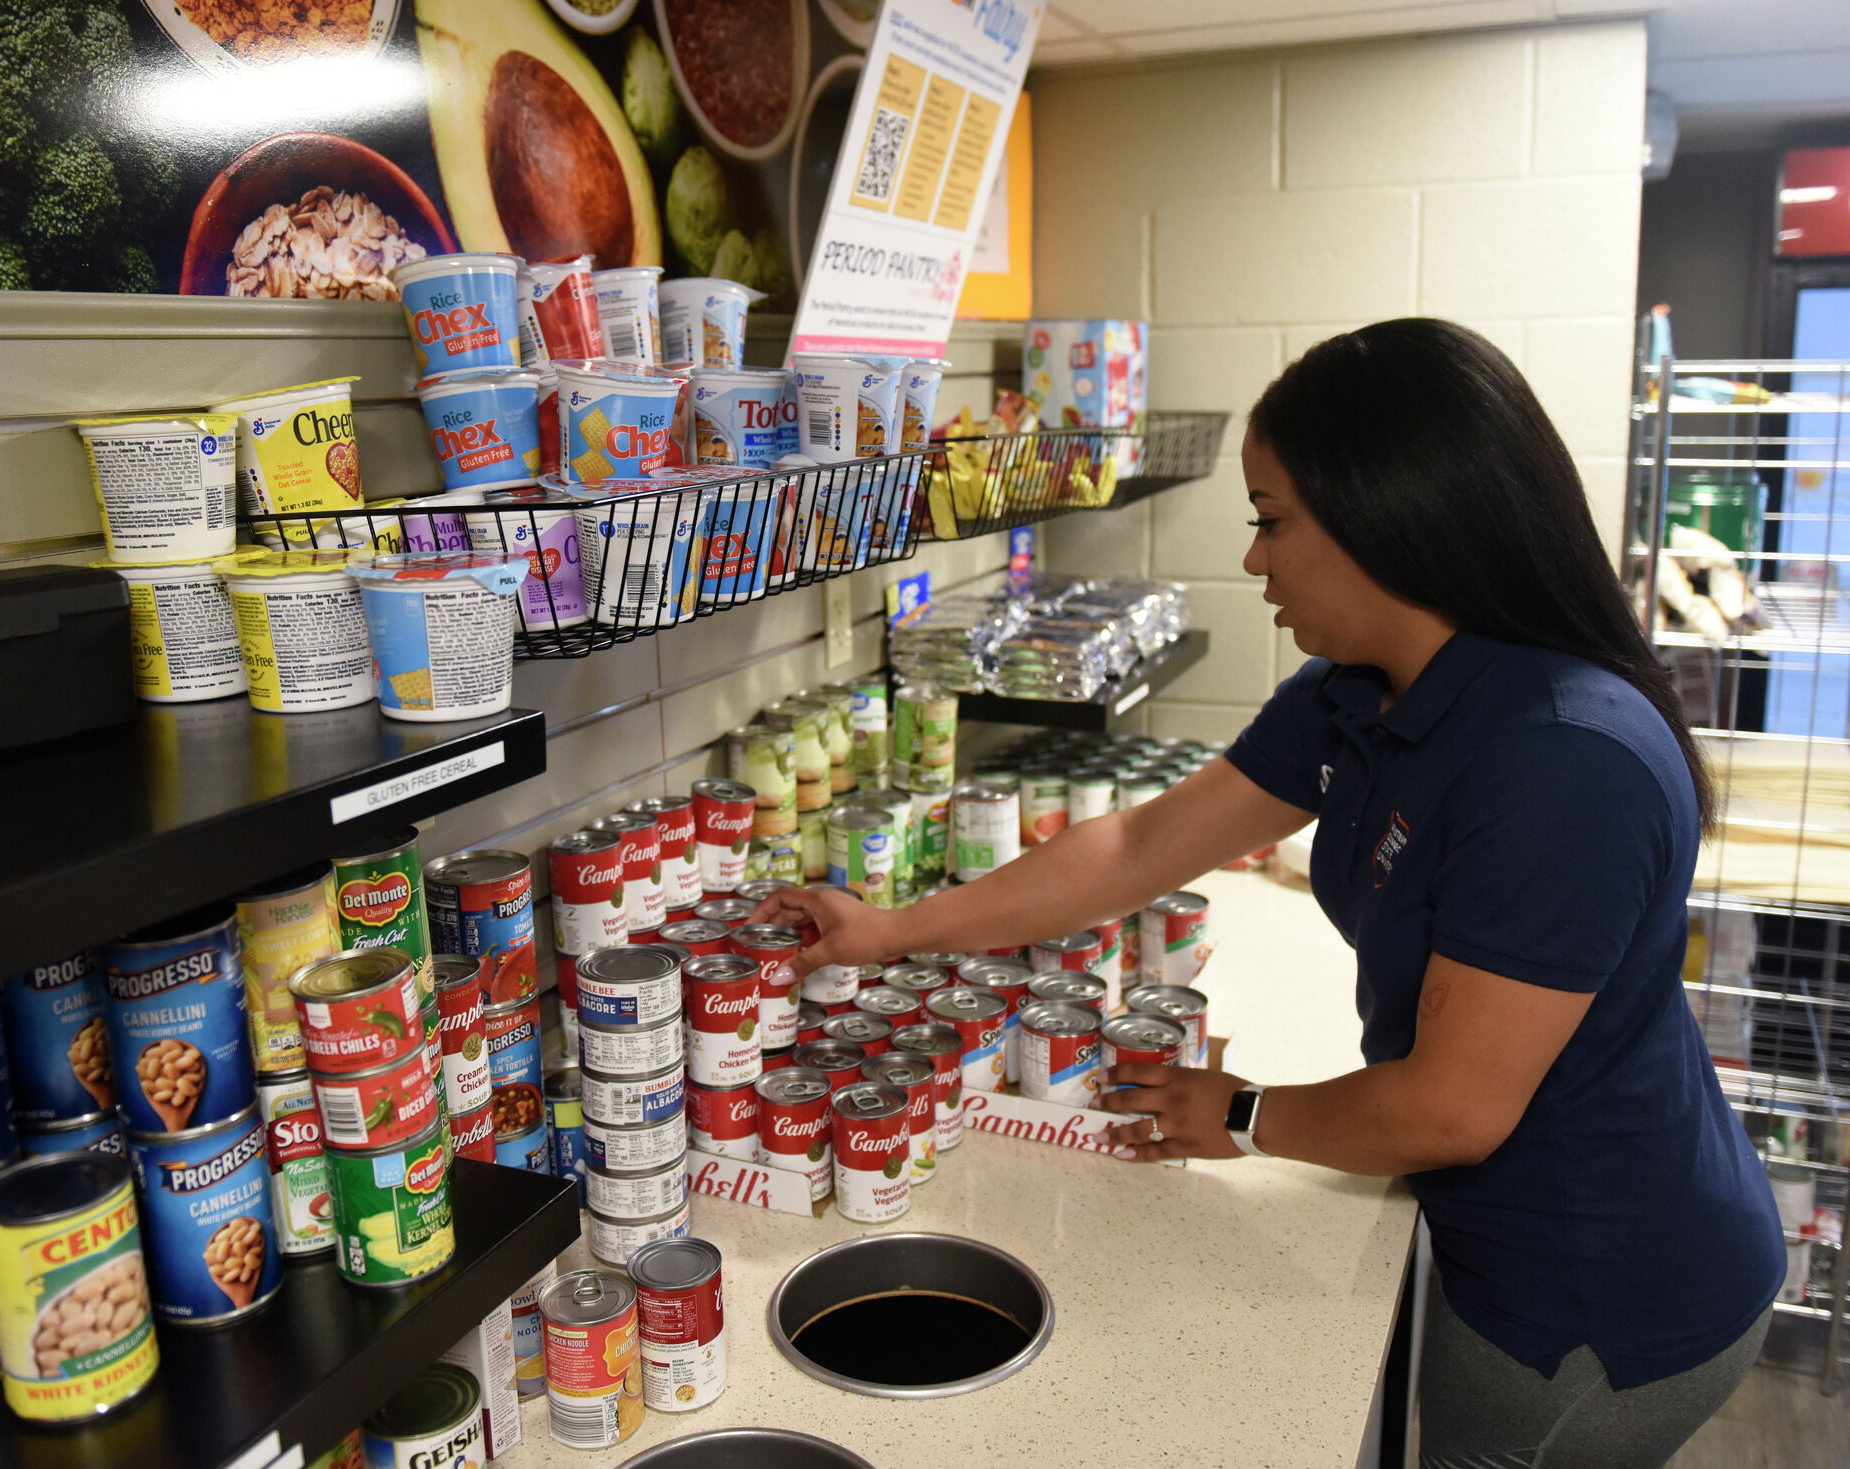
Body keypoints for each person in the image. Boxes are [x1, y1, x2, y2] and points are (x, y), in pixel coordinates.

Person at [749, 319, 1783, 1468]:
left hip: (1598, 1302)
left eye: (1269, 519)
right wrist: (891, 928)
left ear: (1389, 511)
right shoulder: (1363, 689)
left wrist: (1240, 1112)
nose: (1251, 559)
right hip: (1507, 1242)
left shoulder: (1563, 759)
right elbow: (1142, 842)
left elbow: (1451, 1106)